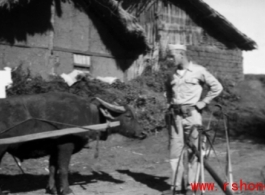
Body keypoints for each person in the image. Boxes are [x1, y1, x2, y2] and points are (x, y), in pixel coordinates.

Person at [163, 44, 223, 195]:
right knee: (175, 152)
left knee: (194, 151)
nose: (170, 59)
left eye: (172, 56)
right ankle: (177, 187)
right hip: (175, 117)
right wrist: (170, 104)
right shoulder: (171, 74)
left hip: (192, 115)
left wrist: (203, 103)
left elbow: (217, 87)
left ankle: (191, 187)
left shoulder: (198, 71)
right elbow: (168, 91)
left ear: (182, 54)